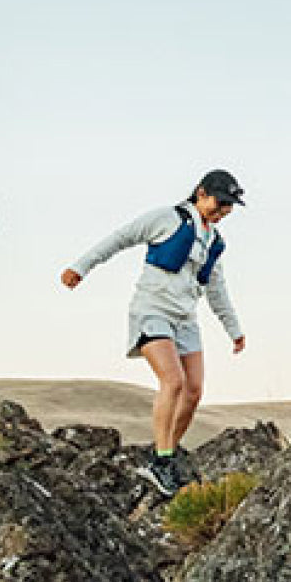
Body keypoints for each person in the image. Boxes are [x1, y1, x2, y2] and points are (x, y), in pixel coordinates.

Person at [61, 170, 246, 497]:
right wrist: (81, 267)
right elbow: (120, 238)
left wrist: (234, 330)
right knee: (172, 381)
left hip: (186, 320)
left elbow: (217, 290)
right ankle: (159, 463)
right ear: (201, 193)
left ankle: (167, 453)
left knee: (194, 391)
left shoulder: (214, 242)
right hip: (152, 311)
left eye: (229, 207)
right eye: (220, 203)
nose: (224, 211)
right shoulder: (167, 218)